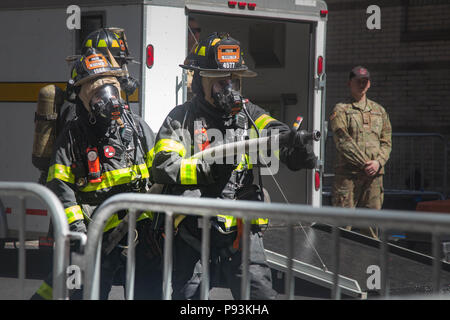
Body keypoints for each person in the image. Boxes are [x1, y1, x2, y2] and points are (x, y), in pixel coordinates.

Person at [152, 32, 317, 299]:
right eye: (220, 82)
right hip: (195, 231)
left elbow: (273, 132)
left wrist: (294, 147)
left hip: (240, 230)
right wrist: (207, 170)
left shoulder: (248, 114)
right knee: (191, 299)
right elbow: (163, 166)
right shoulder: (182, 118)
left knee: (259, 296)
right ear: (201, 82)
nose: (228, 88)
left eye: (233, 81)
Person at [31, 49, 162, 300]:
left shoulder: (136, 127)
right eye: (96, 90)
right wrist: (78, 231)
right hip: (94, 236)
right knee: (84, 292)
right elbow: (60, 185)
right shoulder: (73, 136)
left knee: (147, 292)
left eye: (110, 88)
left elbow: (160, 170)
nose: (107, 98)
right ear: (82, 97)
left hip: (140, 234)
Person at [329, 66, 392, 239]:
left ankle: (371, 262)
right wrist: (365, 164)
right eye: (358, 81)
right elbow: (342, 140)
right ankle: (339, 262)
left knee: (371, 225)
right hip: (348, 176)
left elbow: (386, 142)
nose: (362, 84)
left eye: (365, 81)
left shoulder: (379, 111)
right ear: (350, 83)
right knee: (343, 224)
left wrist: (378, 163)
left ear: (369, 84)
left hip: (374, 177)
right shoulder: (341, 110)